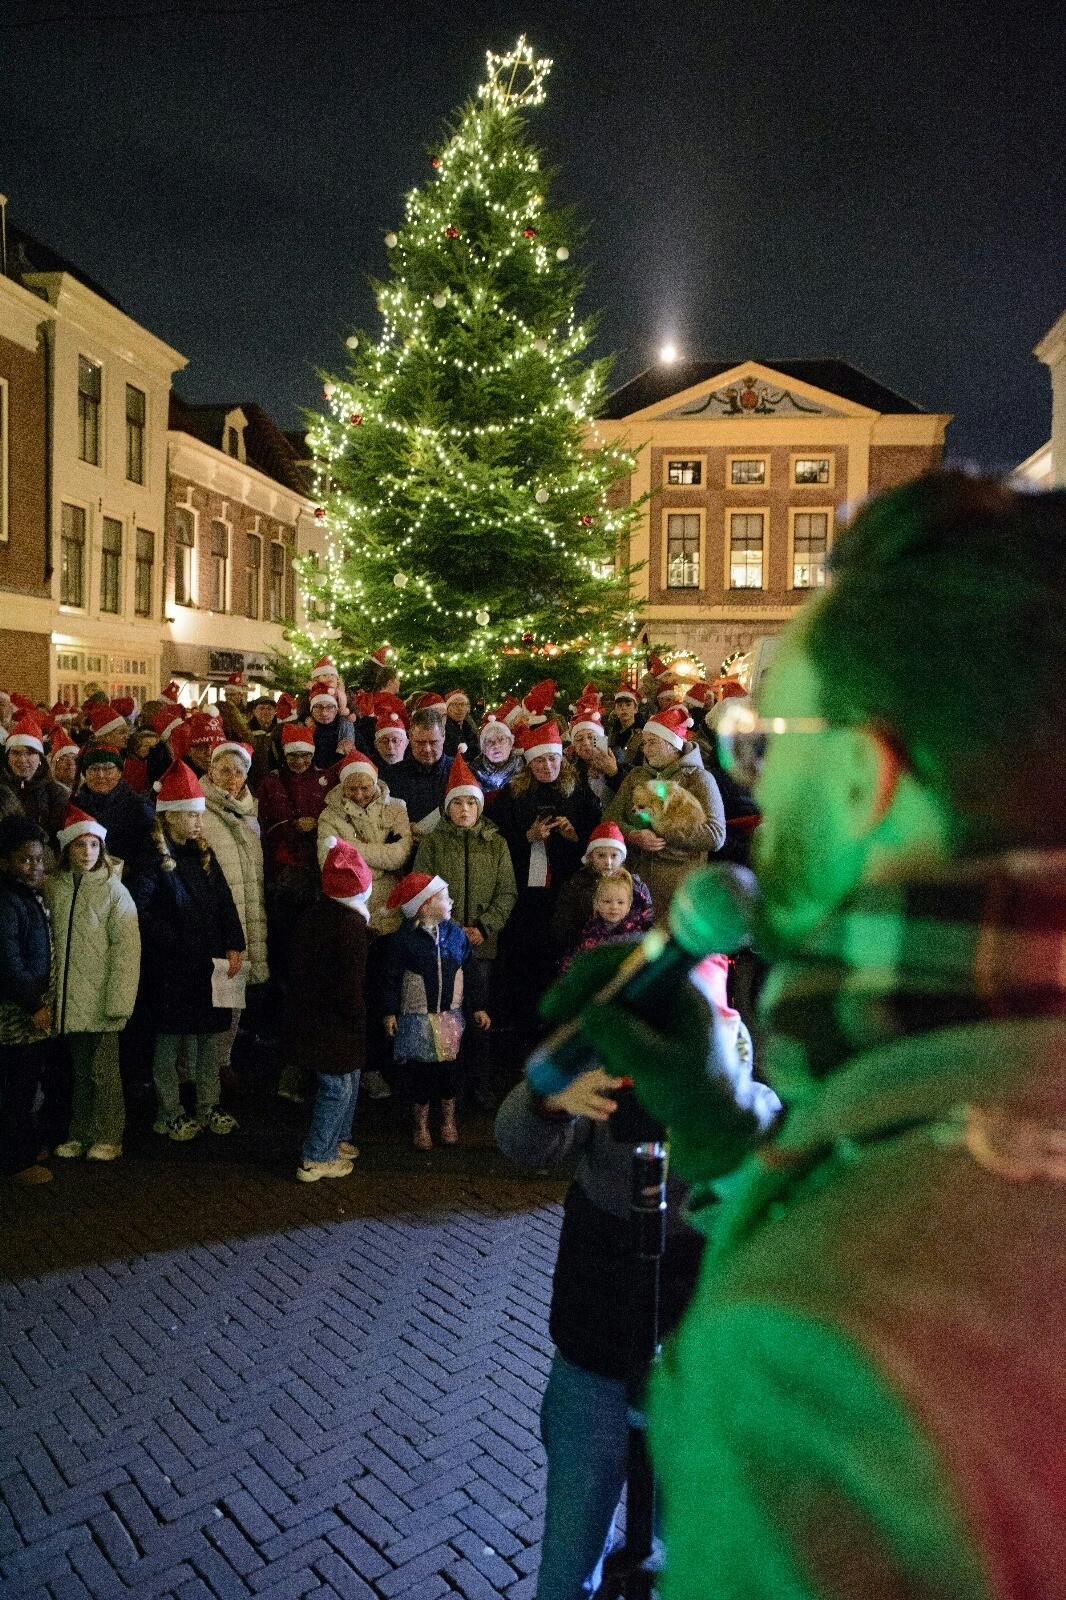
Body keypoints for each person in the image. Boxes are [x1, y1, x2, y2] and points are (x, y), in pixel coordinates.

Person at [543, 472, 1066, 1599]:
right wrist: (738, 1140)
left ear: (864, 782)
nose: (754, 777)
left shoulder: (811, 1346)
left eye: (779, 738)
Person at [496, 955, 773, 1600]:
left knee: (694, 1553)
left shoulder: (735, 1088)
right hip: (595, 1343)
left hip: (694, 1360)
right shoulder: (608, 1076)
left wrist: (714, 1108)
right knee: (571, 1545)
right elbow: (517, 1141)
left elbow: (770, 1145)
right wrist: (549, 1099)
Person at [130, 760, 246, 1142]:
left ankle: (207, 1103)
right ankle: (171, 1108)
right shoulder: (154, 860)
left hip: (206, 964)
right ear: (170, 817)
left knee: (206, 1039)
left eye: (199, 815)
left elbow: (226, 902)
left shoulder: (203, 854)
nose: (199, 822)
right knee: (170, 1040)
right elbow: (140, 908)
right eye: (191, 815)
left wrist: (234, 943)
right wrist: (171, 938)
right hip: (171, 968)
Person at [414, 754, 517, 1109]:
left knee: (479, 1016)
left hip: (482, 945)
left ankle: (480, 1083)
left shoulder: (496, 843)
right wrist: (453, 931)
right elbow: (422, 891)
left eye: (470, 802)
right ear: (447, 807)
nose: (463, 809)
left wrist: (485, 926)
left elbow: (507, 891)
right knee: (447, 1017)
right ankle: (450, 1088)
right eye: (456, 802)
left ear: (479, 805)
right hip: (443, 946)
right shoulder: (433, 843)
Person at [493, 721, 600, 1041]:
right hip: (525, 890)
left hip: (565, 888)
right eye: (540, 760)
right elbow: (496, 840)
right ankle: (523, 1021)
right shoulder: (513, 792)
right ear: (529, 762)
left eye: (552, 759)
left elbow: (596, 840)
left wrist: (573, 835)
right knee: (524, 955)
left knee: (560, 951)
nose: (547, 766)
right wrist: (527, 836)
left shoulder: (578, 791)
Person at [316, 749, 413, 1100]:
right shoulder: (329, 815)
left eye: (365, 787)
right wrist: (378, 854)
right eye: (352, 789)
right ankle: (352, 1067)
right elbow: (330, 862)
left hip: (388, 917)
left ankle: (376, 1066)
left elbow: (401, 854)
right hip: (350, 918)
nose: (359, 794)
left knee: (382, 995)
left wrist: (353, 849)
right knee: (352, 996)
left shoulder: (396, 808)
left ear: (376, 782)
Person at [47, 806, 140, 1163]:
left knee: (104, 1072)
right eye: (79, 845)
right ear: (67, 849)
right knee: (81, 1071)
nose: (86, 852)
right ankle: (80, 1131)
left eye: (93, 845)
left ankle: (108, 1134)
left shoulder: (115, 893)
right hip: (70, 1001)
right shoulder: (56, 889)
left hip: (101, 999)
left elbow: (127, 952)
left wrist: (118, 1001)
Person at [383, 871, 487, 1150]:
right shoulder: (404, 940)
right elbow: (391, 978)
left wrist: (478, 1006)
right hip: (417, 1019)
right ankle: (421, 1124)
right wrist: (390, 1011)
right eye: (444, 897)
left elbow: (472, 971)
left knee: (451, 1071)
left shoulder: (456, 935)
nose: (451, 901)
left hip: (450, 1017)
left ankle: (449, 1121)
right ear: (425, 905)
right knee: (421, 1073)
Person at [287, 837, 371, 1182]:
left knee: (344, 1081)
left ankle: (335, 1140)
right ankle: (316, 1156)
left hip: (314, 1016)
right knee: (337, 1087)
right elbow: (347, 985)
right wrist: (355, 1015)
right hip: (334, 1022)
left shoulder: (317, 915)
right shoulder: (350, 928)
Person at [604, 703, 726, 920]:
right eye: (644, 743)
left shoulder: (698, 779)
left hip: (678, 888)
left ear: (673, 744)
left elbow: (715, 835)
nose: (645, 748)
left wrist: (661, 830)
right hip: (634, 885)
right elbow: (610, 819)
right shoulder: (636, 776)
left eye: (652, 742)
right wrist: (634, 835)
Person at [199, 741, 270, 1082]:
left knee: (234, 990)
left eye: (239, 771)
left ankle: (221, 1061)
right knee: (209, 995)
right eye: (224, 770)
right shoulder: (199, 810)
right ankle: (199, 1067)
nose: (232, 778)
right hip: (216, 917)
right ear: (210, 771)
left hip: (247, 912)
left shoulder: (249, 811)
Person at [0, 816, 56, 1185]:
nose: (34, 866)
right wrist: (34, 1003)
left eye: (39, 859)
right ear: (5, 861)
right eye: (25, 860)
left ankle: (23, 1146)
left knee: (24, 1082)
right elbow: (7, 960)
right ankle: (15, 1163)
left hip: (25, 1006)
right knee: (15, 1088)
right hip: (15, 1012)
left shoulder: (24, 896)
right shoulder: (8, 901)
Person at [550, 820, 653, 958]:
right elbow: (562, 925)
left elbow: (648, 921)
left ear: (622, 857)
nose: (608, 862)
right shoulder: (577, 884)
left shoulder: (636, 887)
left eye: (614, 855)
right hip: (586, 953)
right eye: (601, 855)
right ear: (591, 857)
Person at [76, 744, 155, 880]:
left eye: (108, 769)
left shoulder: (139, 807)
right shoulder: (76, 807)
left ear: (119, 773)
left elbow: (150, 858)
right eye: (94, 769)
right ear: (85, 774)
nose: (100, 775)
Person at [0, 715, 70, 849]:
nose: (22, 759)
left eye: (30, 753)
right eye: (16, 753)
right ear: (8, 758)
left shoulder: (56, 793)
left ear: (40, 759)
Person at [386, 709, 453, 846]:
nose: (427, 749)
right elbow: (380, 821)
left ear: (443, 736)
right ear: (410, 738)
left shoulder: (459, 772)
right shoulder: (391, 776)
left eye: (433, 742)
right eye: (420, 743)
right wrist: (402, 829)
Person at [469, 705, 523, 802]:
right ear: (483, 749)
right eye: (490, 741)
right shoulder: (472, 772)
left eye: (501, 740)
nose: (496, 746)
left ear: (510, 743)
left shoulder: (523, 769)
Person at [308, 680, 355, 770]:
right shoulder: (304, 729)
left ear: (336, 709)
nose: (324, 713)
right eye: (318, 707)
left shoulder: (347, 729)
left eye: (329, 707)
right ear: (311, 710)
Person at [442, 688, 480, 757]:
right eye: (455, 704)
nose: (460, 708)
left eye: (463, 704)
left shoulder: (469, 726)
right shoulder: (443, 727)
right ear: (447, 708)